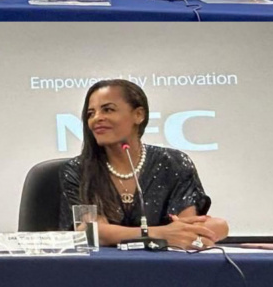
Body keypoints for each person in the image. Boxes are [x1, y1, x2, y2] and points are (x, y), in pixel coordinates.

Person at [59, 79, 229, 250]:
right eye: (90, 113)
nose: (97, 118)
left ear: (138, 115)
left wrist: (212, 228)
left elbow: (187, 230)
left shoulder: (174, 163)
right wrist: (160, 234)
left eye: (108, 109)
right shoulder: (79, 170)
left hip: (164, 262)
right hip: (102, 264)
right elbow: (92, 232)